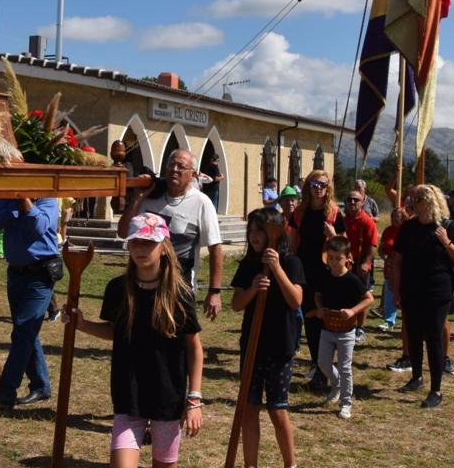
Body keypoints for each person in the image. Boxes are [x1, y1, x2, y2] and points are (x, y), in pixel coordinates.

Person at [67, 213, 203, 468]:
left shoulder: (180, 293)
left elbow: (194, 347)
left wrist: (194, 399)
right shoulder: (118, 289)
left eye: (149, 242)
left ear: (164, 247)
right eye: (136, 242)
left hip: (167, 395)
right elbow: (115, 331)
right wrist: (82, 325)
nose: (141, 249)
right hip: (129, 394)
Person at [230, 207, 304, 463]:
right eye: (250, 230)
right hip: (252, 344)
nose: (254, 236)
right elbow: (236, 304)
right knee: (249, 408)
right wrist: (252, 290)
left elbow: (295, 301)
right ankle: (251, 464)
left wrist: (277, 269)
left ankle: (290, 463)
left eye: (259, 230)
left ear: (274, 233)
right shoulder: (248, 265)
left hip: (279, 345)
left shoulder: (292, 262)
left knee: (277, 409)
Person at [118, 149, 224, 321]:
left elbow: (215, 248)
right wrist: (138, 198)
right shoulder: (150, 196)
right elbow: (123, 232)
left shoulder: (201, 203)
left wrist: (214, 292)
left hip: (178, 287)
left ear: (193, 174)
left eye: (181, 166)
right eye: (171, 164)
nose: (174, 169)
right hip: (141, 284)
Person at [391, 184, 454, 409]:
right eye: (412, 198)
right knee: (413, 335)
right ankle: (416, 377)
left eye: (418, 198)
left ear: (430, 201)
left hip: (437, 291)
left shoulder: (446, 226)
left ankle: (436, 390)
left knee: (433, 338)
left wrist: (447, 242)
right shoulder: (409, 228)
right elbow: (397, 259)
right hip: (411, 289)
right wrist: (396, 290)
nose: (413, 202)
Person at [0, 196, 61, 408]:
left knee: (23, 330)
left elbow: (39, 226)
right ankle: (40, 386)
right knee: (26, 332)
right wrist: (14, 205)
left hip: (40, 275)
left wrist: (26, 202)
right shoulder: (8, 199)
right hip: (16, 274)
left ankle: (7, 390)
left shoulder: (48, 200)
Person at [310, 235, 373, 420]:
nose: (334, 262)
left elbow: (369, 299)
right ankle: (336, 383)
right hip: (327, 329)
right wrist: (320, 308)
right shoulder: (325, 276)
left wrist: (353, 311)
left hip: (346, 331)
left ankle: (346, 403)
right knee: (322, 363)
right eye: (330, 258)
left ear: (347, 258)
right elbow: (318, 295)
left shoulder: (352, 280)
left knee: (345, 367)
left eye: (338, 258)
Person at [290, 168, 340, 389]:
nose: (318, 189)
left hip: (327, 273)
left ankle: (329, 366)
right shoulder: (299, 213)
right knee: (311, 319)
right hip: (305, 272)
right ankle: (318, 366)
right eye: (314, 184)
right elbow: (291, 244)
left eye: (323, 185)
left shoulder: (335, 213)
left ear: (328, 188)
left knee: (327, 320)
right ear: (308, 187)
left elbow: (344, 246)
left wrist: (333, 236)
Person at [342, 184, 378, 345]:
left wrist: (366, 263)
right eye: (349, 199)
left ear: (362, 202)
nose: (352, 202)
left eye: (355, 200)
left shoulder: (367, 221)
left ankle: (360, 328)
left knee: (361, 296)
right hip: (344, 263)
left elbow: (372, 244)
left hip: (360, 262)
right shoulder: (342, 220)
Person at [377, 208, 403, 335]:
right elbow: (381, 248)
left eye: (397, 217)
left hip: (403, 268)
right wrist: (384, 257)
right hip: (389, 267)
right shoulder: (388, 231)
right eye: (393, 216)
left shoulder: (406, 231)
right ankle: (389, 321)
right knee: (389, 293)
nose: (394, 219)